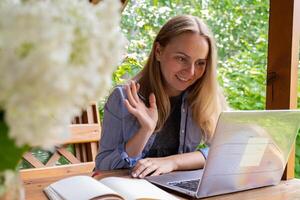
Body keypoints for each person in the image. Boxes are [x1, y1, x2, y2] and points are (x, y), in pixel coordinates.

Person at [95, 15, 227, 178]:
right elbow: (103, 167)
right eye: (181, 58)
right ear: (158, 51)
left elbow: (223, 151)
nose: (191, 72)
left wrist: (173, 162)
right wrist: (145, 130)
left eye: (200, 63)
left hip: (176, 189)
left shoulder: (202, 96)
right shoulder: (123, 97)